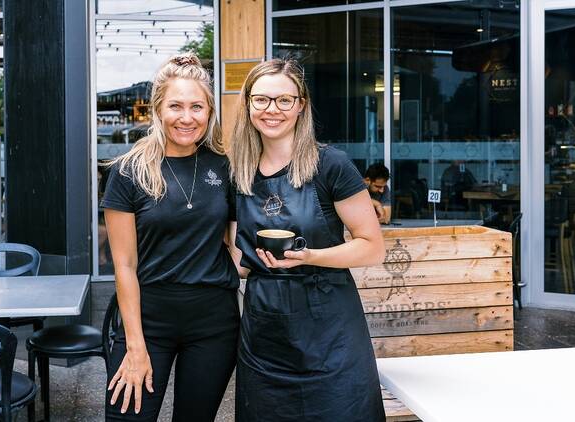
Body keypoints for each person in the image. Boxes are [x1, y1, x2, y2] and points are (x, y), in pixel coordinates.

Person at [228, 58, 386, 421]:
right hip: (265, 330)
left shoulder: (331, 165)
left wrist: (310, 255)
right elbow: (239, 258)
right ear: (249, 104)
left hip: (328, 326)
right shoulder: (237, 171)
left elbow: (371, 247)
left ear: (301, 105)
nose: (273, 110)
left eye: (284, 100)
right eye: (262, 100)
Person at [101, 53, 239, 422]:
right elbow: (124, 266)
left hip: (214, 323)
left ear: (209, 111)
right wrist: (134, 345)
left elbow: (235, 247)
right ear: (158, 109)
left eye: (197, 106)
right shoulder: (129, 172)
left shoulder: (223, 167)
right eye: (176, 106)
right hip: (148, 321)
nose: (186, 117)